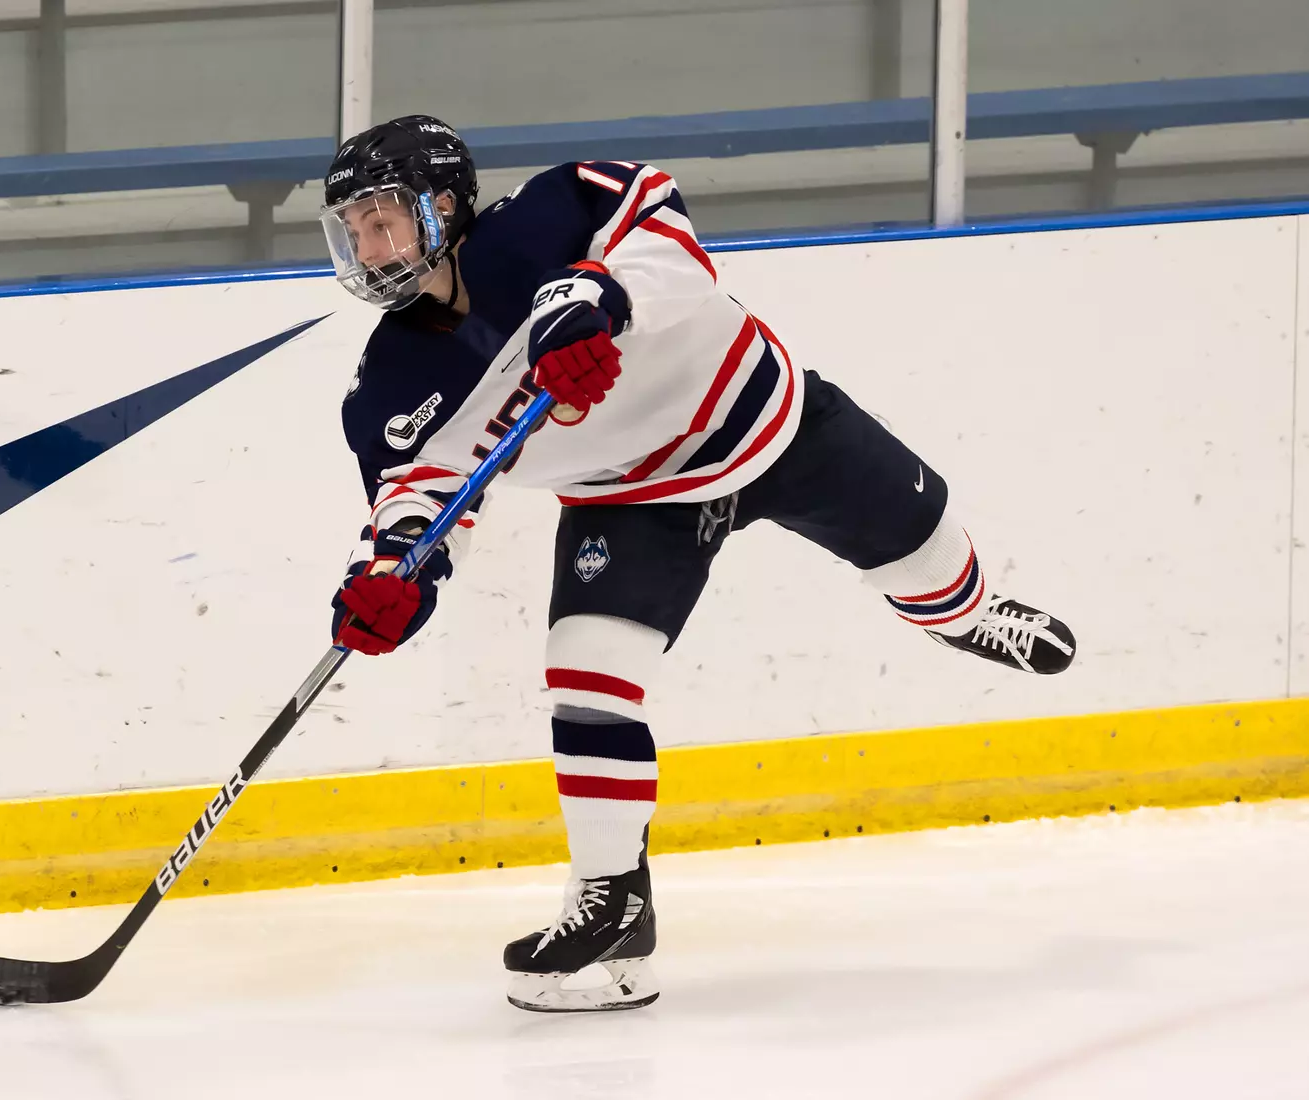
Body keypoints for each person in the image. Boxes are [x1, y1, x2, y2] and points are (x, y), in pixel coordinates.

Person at [318, 116, 1075, 1013]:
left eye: (382, 219)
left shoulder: (557, 209)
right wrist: (397, 576)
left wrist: (598, 296)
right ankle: (612, 905)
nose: (368, 247)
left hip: (764, 420)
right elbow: (419, 496)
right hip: (634, 498)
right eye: (353, 228)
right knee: (586, 678)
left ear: (442, 206)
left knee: (924, 552)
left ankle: (966, 614)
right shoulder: (390, 385)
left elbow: (668, 232)